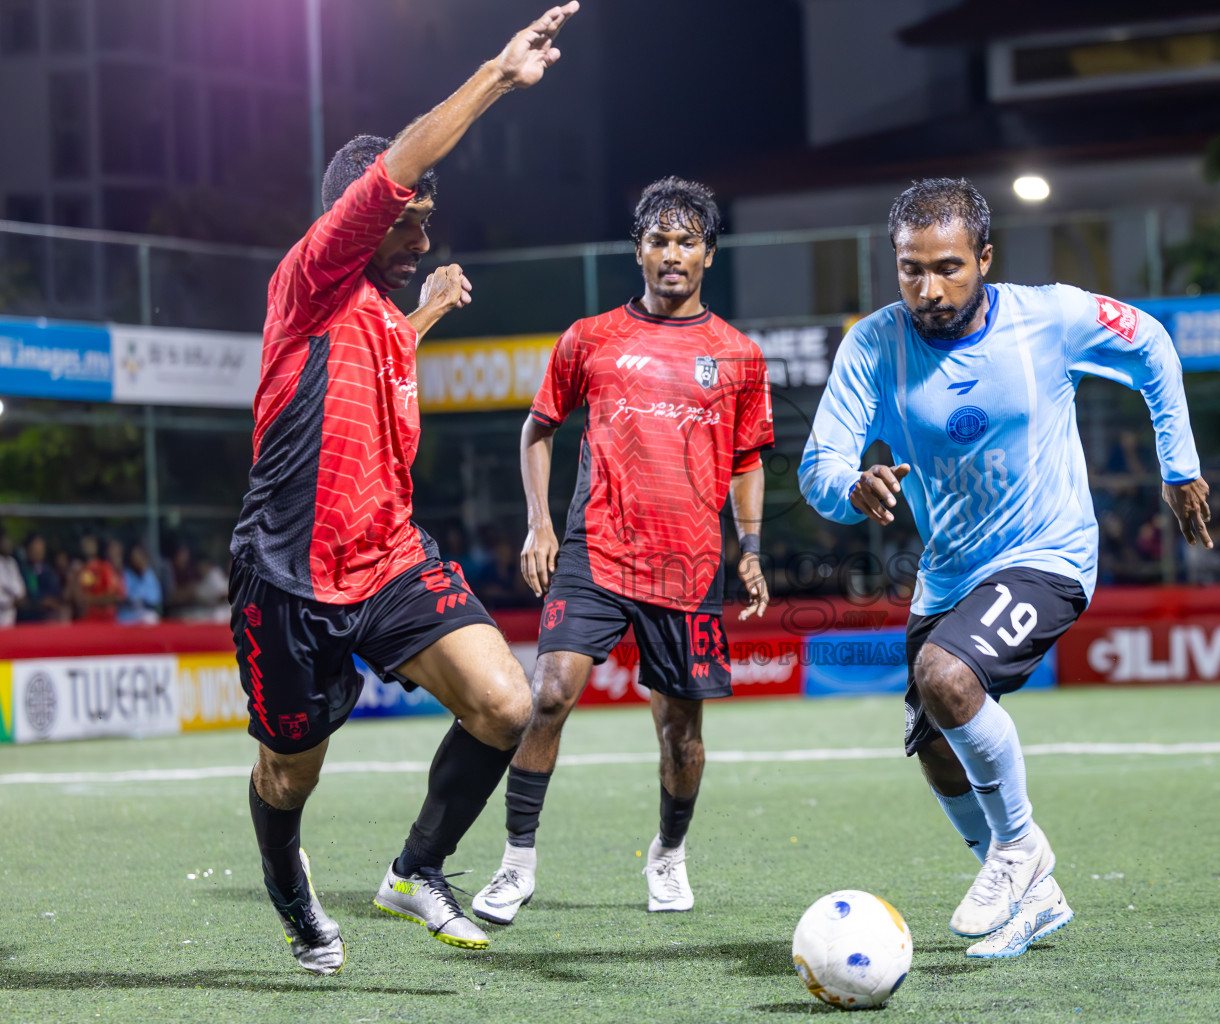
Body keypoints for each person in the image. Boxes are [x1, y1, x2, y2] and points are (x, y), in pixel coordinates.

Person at [225, 2, 579, 976]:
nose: (424, 230)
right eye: (412, 218)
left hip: (386, 558)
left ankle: (415, 868)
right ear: (366, 216)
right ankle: (287, 881)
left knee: (508, 705)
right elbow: (406, 164)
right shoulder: (311, 275)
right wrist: (499, 76)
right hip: (290, 576)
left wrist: (422, 314)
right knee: (287, 772)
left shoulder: (380, 311)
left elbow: (375, 365)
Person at [798, 179, 1211, 959]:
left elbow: (1151, 342)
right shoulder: (873, 345)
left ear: (986, 257)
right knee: (933, 746)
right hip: (951, 573)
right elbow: (821, 465)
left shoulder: (1047, 317)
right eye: (911, 269)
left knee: (947, 677)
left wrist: (1177, 464)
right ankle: (1035, 899)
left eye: (949, 267)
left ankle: (1020, 851)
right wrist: (852, 488)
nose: (929, 288)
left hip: (1049, 553)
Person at [464, 177, 774, 925]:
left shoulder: (737, 355)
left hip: (688, 565)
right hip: (595, 552)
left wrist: (752, 547)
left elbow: (748, 459)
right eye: (659, 240)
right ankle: (515, 865)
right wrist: (541, 523)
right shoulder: (590, 337)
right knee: (548, 695)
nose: (672, 254)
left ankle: (668, 856)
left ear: (708, 253)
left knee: (682, 735)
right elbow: (538, 428)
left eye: (687, 241)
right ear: (638, 249)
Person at [17, 534, 66, 623]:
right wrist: (42, 602)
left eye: (41, 546)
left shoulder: (49, 572)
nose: (39, 550)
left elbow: (57, 594)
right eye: (35, 547)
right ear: (28, 549)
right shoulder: (24, 571)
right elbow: (32, 593)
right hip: (31, 618)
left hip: (50, 616)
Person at [118, 543, 164, 624]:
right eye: (134, 556)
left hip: (144, 614)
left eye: (139, 556)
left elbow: (155, 598)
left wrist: (141, 598)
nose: (137, 559)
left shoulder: (149, 573)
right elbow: (126, 597)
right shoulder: (126, 574)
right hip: (126, 616)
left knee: (152, 618)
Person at [0, 532, 24, 627]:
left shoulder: (12, 563)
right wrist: (11, 601)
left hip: (12, 613)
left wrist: (17, 597)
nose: (8, 544)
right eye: (5, 541)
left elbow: (20, 589)